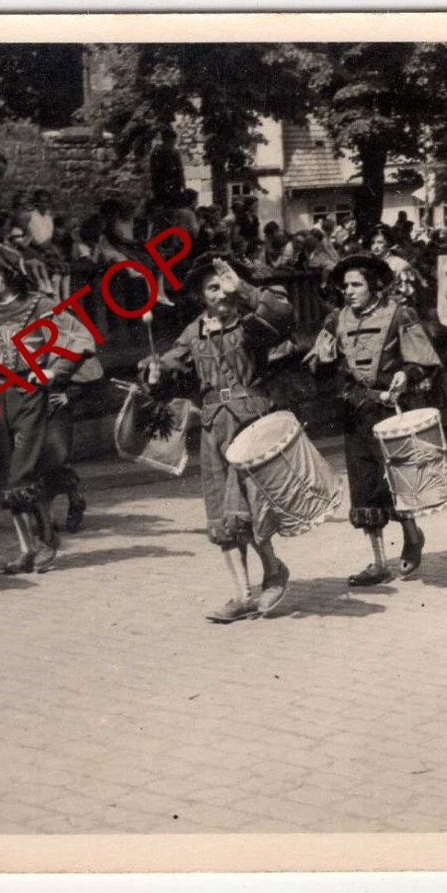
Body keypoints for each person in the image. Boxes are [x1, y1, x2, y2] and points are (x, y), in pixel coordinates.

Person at [142, 254, 297, 622]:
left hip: (252, 423)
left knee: (249, 508)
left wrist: (242, 288)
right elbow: (171, 369)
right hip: (213, 428)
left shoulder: (250, 322)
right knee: (220, 513)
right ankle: (243, 595)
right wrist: (154, 374)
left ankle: (274, 570)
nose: (221, 293)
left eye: (224, 285)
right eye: (213, 288)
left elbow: (283, 318)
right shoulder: (194, 331)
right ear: (201, 296)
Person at [0, 245, 90, 573]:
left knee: (24, 474)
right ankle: (27, 549)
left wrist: (52, 372)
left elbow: (79, 337)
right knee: (7, 475)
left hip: (33, 398)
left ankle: (46, 543)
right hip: (2, 399)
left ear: (12, 275)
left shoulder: (39, 306)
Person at [306, 253, 441, 583]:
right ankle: (379, 563)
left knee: (399, 481)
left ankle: (412, 536)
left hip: (392, 410)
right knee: (366, 486)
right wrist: (322, 360)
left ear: (373, 285)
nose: (348, 291)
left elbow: (423, 359)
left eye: (356, 284)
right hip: (357, 411)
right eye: (345, 286)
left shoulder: (399, 314)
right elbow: (318, 367)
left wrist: (407, 374)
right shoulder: (335, 320)